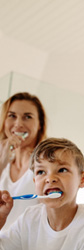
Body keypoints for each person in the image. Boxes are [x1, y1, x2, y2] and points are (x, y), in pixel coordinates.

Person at [0, 137, 84, 250]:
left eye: (62, 170)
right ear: (35, 182)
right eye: (41, 172)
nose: (50, 178)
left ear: (83, 179)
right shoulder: (29, 218)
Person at [0, 92, 47, 230]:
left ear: (39, 124)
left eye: (28, 117)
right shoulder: (3, 165)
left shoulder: (46, 167)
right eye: (12, 116)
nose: (18, 124)